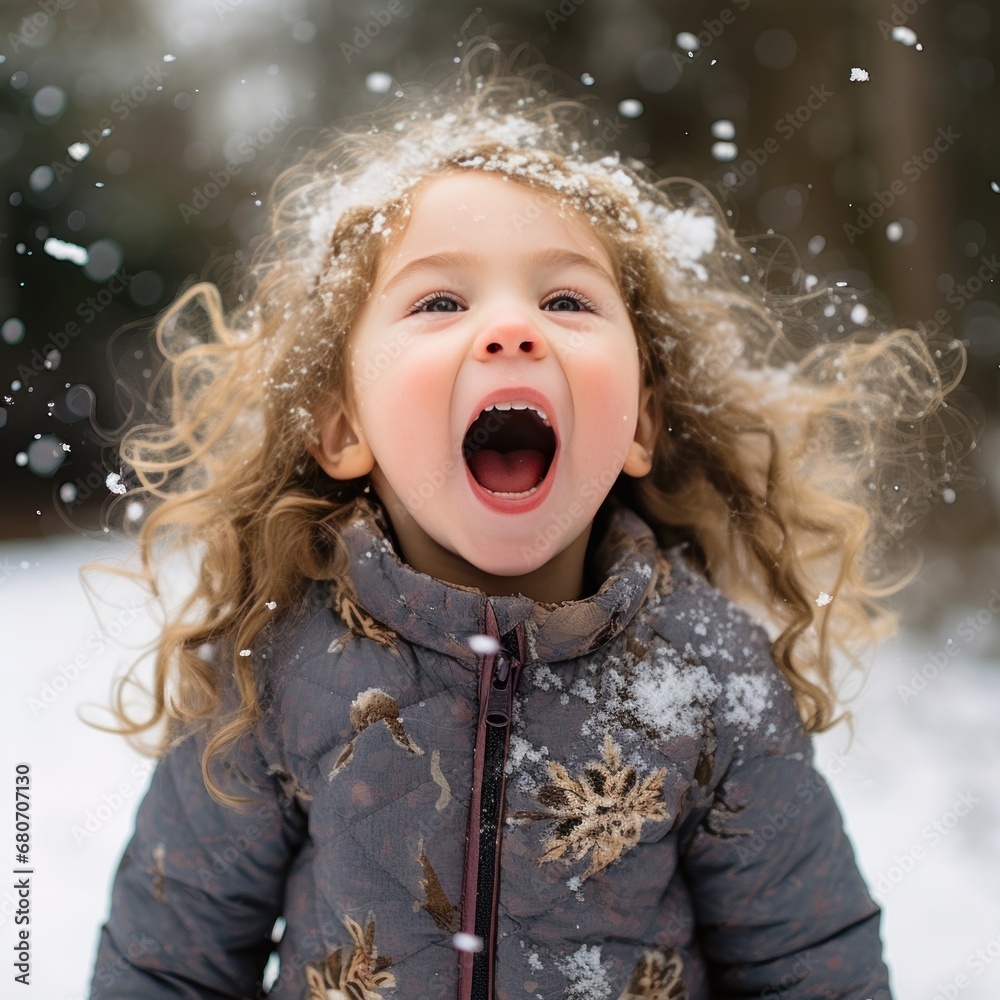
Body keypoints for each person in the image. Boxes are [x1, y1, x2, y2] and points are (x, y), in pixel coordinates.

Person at [88, 40, 965, 1000]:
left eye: (564, 298)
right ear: (341, 424)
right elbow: (168, 964)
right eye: (439, 299)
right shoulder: (276, 665)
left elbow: (811, 964)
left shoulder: (710, 672)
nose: (513, 330)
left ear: (639, 422)